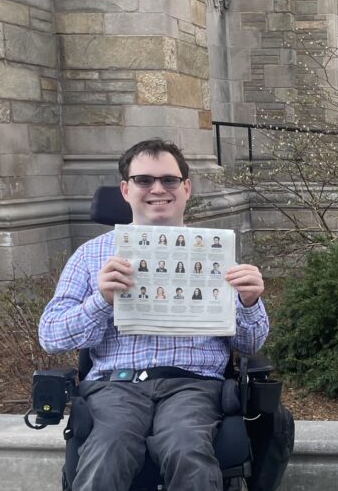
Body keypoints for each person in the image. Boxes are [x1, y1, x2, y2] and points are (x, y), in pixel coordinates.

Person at [39, 139, 269, 491]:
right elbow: (51, 336)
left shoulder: (215, 253)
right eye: (144, 180)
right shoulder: (90, 256)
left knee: (187, 448)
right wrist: (101, 301)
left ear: (186, 188)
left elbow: (250, 343)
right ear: (126, 189)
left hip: (193, 383)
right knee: (107, 450)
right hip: (116, 384)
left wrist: (250, 303)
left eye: (169, 180)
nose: (158, 189)